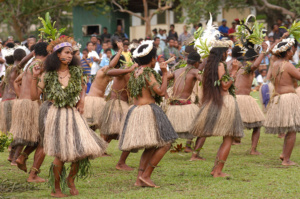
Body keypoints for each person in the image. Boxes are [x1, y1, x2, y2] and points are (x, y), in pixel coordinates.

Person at [31, 37, 107, 197]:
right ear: (58, 55)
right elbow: (34, 95)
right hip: (57, 115)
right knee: (60, 154)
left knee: (81, 151)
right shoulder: (48, 75)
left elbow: (82, 87)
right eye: (67, 52)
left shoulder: (76, 72)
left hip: (73, 114)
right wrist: (34, 77)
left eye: (71, 53)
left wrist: (82, 101)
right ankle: (56, 188)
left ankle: (70, 180)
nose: (70, 55)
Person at [119, 40, 178, 187]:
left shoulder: (135, 72)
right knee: (166, 143)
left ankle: (140, 178)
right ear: (152, 59)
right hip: (148, 110)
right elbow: (161, 92)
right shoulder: (148, 73)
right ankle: (146, 175)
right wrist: (164, 73)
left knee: (151, 146)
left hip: (136, 110)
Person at [190, 40, 243, 177]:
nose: (228, 54)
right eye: (227, 51)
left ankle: (216, 169)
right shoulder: (220, 65)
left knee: (227, 138)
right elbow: (225, 86)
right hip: (224, 101)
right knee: (228, 138)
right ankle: (218, 171)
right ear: (222, 52)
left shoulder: (209, 66)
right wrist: (234, 71)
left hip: (215, 101)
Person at [10, 42, 48, 183]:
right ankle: (24, 159)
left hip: (22, 103)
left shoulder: (29, 65)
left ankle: (22, 157)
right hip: (31, 104)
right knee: (41, 138)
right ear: (48, 51)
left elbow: (16, 82)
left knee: (36, 137)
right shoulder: (40, 66)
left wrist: (22, 98)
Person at [264, 38, 300, 166]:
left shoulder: (275, 64)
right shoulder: (288, 65)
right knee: (292, 131)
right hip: (288, 98)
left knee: (290, 130)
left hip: (279, 98)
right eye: (292, 50)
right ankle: (286, 160)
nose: (293, 52)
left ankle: (284, 154)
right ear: (288, 52)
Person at [98, 48, 135, 171]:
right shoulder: (122, 73)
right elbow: (110, 70)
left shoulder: (123, 74)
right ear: (123, 64)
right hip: (118, 106)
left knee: (112, 133)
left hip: (117, 105)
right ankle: (120, 162)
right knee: (127, 133)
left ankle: (99, 151)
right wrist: (130, 68)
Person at [166, 52, 203, 160]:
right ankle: (195, 155)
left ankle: (160, 151)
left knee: (169, 133)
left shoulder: (177, 71)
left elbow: (164, 78)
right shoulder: (195, 71)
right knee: (204, 129)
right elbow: (204, 81)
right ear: (196, 63)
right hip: (185, 106)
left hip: (173, 107)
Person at [235, 42, 268, 155]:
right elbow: (255, 65)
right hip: (243, 99)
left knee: (234, 124)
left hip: (236, 98)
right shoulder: (249, 67)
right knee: (257, 125)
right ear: (254, 58)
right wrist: (263, 52)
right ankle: (253, 150)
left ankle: (233, 141)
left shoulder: (241, 68)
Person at [84, 42, 124, 131]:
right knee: (90, 128)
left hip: (100, 100)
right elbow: (111, 65)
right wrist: (120, 50)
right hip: (93, 101)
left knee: (97, 128)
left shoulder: (110, 74)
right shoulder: (105, 69)